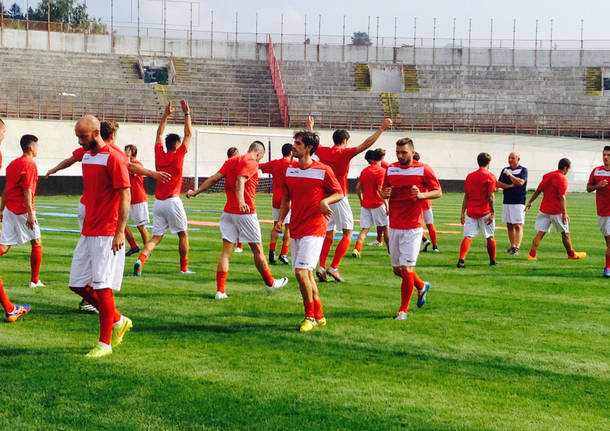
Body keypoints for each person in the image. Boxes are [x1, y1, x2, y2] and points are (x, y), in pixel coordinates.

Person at [187, 141, 288, 299]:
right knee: (257, 250)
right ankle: (270, 283)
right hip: (245, 212)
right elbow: (240, 180)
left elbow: (214, 179)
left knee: (226, 252)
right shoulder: (252, 162)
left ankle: (220, 291)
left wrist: (196, 192)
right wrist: (241, 202)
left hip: (228, 213)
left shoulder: (232, 161)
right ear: (259, 153)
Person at [69, 114, 132, 357]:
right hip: (89, 231)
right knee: (76, 284)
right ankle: (118, 320)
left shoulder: (115, 159)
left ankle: (104, 344)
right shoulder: (86, 156)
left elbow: (125, 195)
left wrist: (119, 232)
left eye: (82, 137)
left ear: (96, 133)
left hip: (107, 232)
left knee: (102, 286)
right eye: (77, 137)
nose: (79, 141)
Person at [274, 130, 343, 332]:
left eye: (297, 143)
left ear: (308, 148)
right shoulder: (290, 170)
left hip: (315, 228)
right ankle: (319, 314)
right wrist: (279, 220)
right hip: (295, 227)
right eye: (294, 143)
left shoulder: (323, 170)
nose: (293, 146)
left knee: (301, 272)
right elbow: (287, 198)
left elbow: (338, 192)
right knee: (308, 274)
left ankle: (309, 316)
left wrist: (325, 201)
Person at [310, 116, 393, 282]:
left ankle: (321, 266)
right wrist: (382, 128)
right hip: (339, 196)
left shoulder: (323, 151)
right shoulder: (345, 152)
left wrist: (310, 127)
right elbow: (366, 144)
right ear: (345, 140)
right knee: (348, 232)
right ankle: (333, 267)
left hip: (325, 197)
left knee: (328, 233)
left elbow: (311, 141)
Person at [381, 138, 442, 320]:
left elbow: (438, 191)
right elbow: (384, 190)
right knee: (397, 270)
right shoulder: (391, 169)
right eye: (398, 152)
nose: (400, 156)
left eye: (404, 152)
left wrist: (422, 195)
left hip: (413, 227)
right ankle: (422, 286)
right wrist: (383, 194)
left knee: (407, 269)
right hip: (395, 225)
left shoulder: (423, 169)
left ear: (412, 152)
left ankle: (403, 310)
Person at [134, 100, 193, 276]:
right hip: (173, 201)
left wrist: (166, 114)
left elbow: (159, 133)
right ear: (177, 145)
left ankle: (141, 259)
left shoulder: (159, 154)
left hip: (158, 202)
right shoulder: (179, 156)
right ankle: (183, 268)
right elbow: (188, 134)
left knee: (156, 237)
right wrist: (187, 113)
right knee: (183, 234)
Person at [0, 134, 44, 288]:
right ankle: (34, 280)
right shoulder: (29, 164)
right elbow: (27, 190)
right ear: (31, 147)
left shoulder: (13, 164)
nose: (38, 149)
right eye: (37, 146)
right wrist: (31, 214)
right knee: (37, 241)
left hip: (10, 209)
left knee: (5, 245)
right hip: (22, 209)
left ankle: (35, 280)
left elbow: (7, 188)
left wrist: (2, 208)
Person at [526, 158, 586, 261]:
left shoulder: (547, 175)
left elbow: (538, 190)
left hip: (544, 210)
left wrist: (530, 202)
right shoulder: (562, 178)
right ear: (565, 168)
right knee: (565, 234)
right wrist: (564, 213)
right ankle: (571, 254)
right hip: (556, 211)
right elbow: (561, 197)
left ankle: (532, 255)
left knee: (540, 234)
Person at [457, 153, 498, 268]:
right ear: (488, 163)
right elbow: (490, 196)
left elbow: (467, 196)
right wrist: (493, 212)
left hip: (471, 211)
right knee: (489, 236)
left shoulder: (470, 176)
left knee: (468, 236)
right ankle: (492, 261)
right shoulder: (490, 176)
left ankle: (461, 260)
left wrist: (462, 212)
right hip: (485, 212)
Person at [259, 142, 294, 265]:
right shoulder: (293, 164)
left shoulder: (275, 163)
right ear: (291, 152)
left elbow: (259, 166)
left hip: (276, 199)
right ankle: (284, 253)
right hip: (288, 199)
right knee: (288, 227)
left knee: (276, 226)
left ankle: (271, 252)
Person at [352, 149, 388, 258]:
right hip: (378, 203)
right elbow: (380, 189)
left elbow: (358, 187)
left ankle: (357, 249)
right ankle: (392, 252)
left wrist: (361, 200)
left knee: (364, 229)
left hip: (366, 204)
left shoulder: (365, 170)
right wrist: (387, 205)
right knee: (386, 228)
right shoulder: (381, 171)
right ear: (381, 158)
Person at [497, 152, 528, 255]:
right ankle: (512, 246)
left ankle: (517, 247)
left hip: (518, 201)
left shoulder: (523, 170)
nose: (510, 160)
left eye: (513, 158)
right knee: (509, 224)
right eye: (509, 158)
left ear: (518, 159)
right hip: (507, 200)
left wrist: (510, 176)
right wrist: (510, 186)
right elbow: (499, 183)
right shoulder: (505, 169)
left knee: (518, 225)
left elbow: (520, 182)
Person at [587, 146, 610, 277]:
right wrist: (598, 186)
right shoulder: (596, 171)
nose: (606, 157)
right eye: (604, 155)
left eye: (608, 155)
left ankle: (607, 268)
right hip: (602, 212)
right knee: (608, 242)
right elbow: (588, 188)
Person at [123, 144, 150, 257]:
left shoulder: (138, 165)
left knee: (141, 226)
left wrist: (127, 157)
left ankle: (147, 250)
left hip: (139, 199)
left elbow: (131, 168)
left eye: (126, 152)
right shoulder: (125, 164)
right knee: (121, 224)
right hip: (128, 199)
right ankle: (133, 246)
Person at [413, 152, 439, 253]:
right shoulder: (424, 169)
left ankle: (424, 239)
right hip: (426, 201)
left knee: (414, 225)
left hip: (415, 202)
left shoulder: (410, 171)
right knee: (430, 224)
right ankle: (435, 246)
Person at [227, 147, 244, 253]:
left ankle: (240, 245)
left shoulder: (240, 165)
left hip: (239, 197)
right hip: (232, 197)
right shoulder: (230, 164)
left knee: (239, 223)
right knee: (233, 223)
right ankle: (236, 244)